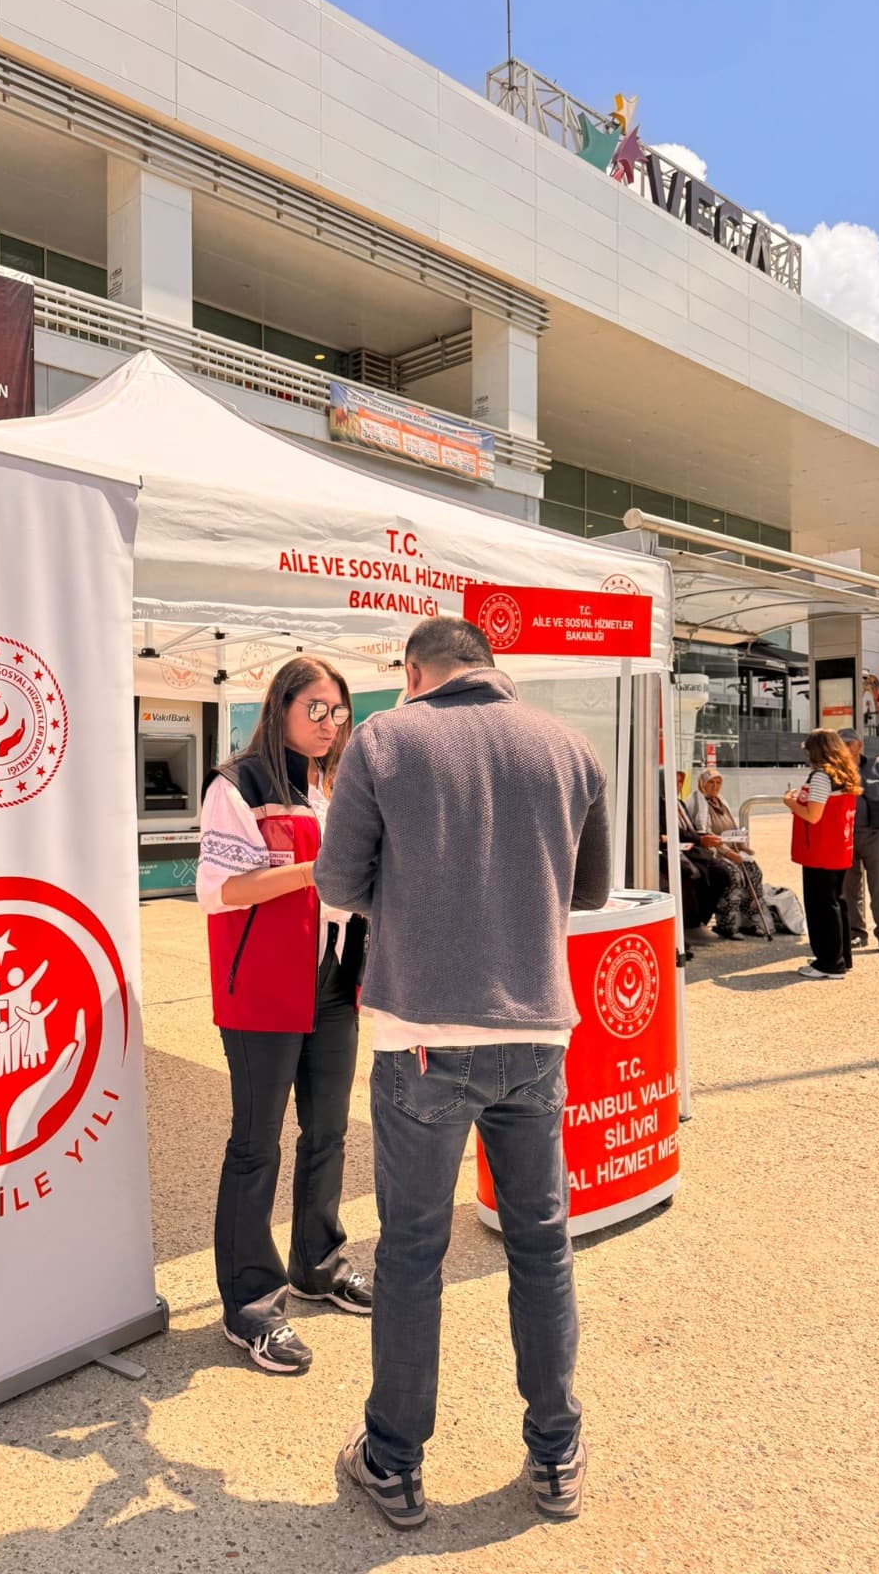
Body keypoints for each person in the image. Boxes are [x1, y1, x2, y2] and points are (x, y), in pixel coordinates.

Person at [314, 617, 610, 1529]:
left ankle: (396, 1462)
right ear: (489, 664)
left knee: (411, 1253)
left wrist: (421, 890)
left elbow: (337, 884)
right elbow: (589, 891)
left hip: (421, 1034)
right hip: (536, 1032)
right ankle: (556, 1453)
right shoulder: (569, 746)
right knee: (541, 1246)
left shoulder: (385, 739)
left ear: (414, 671)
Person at [196, 656, 371, 1376]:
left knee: (327, 1131)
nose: (329, 725)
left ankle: (317, 1264)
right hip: (263, 987)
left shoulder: (335, 786)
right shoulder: (236, 785)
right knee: (256, 1145)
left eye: (338, 713)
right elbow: (221, 890)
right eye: (317, 710)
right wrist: (317, 868)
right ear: (281, 707)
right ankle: (250, 1305)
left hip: (334, 981)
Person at [783, 730, 861, 980]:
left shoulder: (821, 776)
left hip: (820, 850)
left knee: (821, 907)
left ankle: (829, 963)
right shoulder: (844, 775)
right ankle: (840, 957)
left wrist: (791, 803)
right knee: (838, 903)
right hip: (838, 848)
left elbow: (813, 815)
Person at [688, 769, 768, 936]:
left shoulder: (721, 801)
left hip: (730, 849)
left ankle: (750, 922)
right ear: (702, 784)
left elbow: (732, 829)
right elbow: (704, 834)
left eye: (718, 783)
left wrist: (742, 846)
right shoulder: (699, 802)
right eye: (711, 782)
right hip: (712, 852)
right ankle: (727, 925)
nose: (715, 786)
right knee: (734, 875)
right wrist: (728, 853)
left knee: (754, 872)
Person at [661, 770, 735, 940]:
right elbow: (676, 832)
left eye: (680, 783)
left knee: (721, 872)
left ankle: (702, 920)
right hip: (674, 849)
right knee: (697, 874)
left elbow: (691, 830)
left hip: (694, 847)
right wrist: (702, 840)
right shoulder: (660, 805)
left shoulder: (680, 803)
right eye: (673, 782)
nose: (677, 786)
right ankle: (692, 924)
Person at [837, 727, 879, 951]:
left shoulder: (877, 765)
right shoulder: (832, 771)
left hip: (875, 835)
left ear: (859, 745)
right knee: (850, 888)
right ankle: (856, 933)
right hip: (844, 836)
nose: (844, 747)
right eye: (840, 743)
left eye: (848, 743)